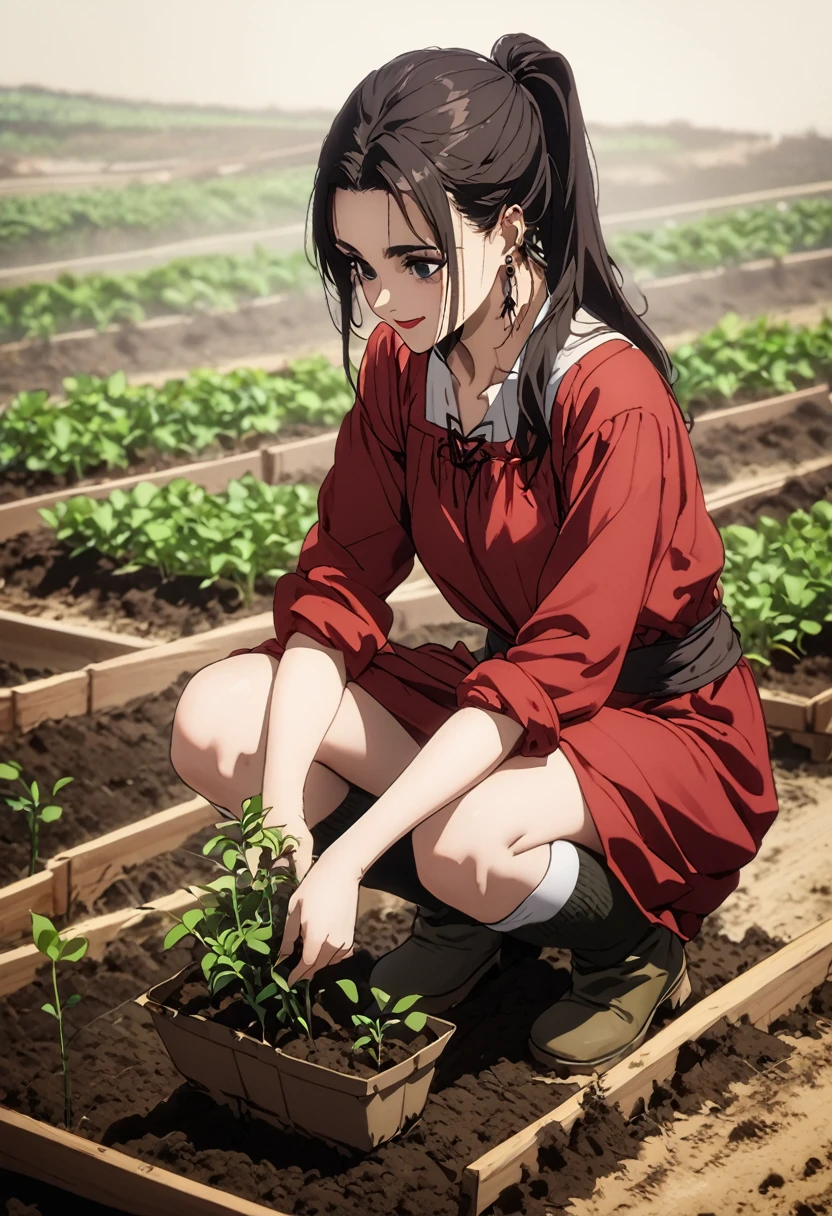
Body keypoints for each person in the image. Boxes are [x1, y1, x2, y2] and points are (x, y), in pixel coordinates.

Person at [170, 34, 779, 1073]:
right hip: (518, 704)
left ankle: (634, 947)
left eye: (415, 262)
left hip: (651, 719)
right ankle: (470, 923)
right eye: (358, 265)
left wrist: (350, 855)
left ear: (506, 227)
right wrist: (280, 818)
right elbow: (336, 583)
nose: (382, 297)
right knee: (222, 721)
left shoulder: (607, 394)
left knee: (465, 842)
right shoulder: (403, 367)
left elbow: (562, 664)